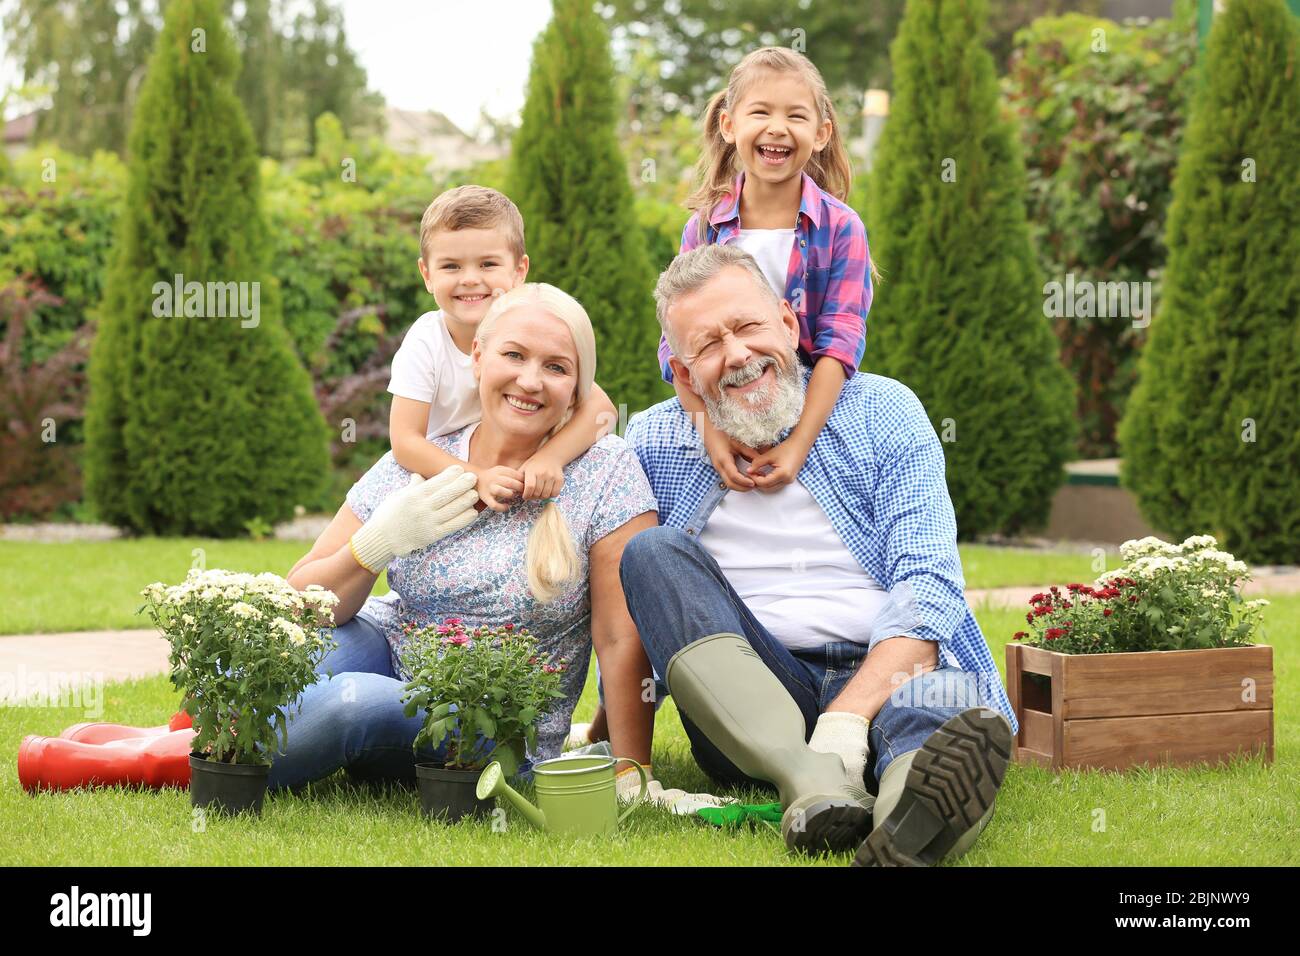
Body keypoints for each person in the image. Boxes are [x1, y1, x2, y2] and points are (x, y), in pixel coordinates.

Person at [621, 244, 1016, 865]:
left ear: (787, 321)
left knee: (932, 706)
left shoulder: (883, 410)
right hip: (751, 692)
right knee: (651, 553)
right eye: (708, 347)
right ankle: (807, 778)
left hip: (886, 672)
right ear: (681, 368)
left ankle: (903, 816)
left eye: (748, 326)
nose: (738, 355)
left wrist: (849, 716)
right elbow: (643, 605)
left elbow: (928, 585)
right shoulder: (656, 437)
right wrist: (610, 742)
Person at [271, 282, 658, 787]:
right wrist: (378, 543)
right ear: (478, 356)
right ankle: (223, 731)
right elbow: (296, 603)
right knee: (266, 655)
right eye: (514, 355)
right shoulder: (420, 458)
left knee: (352, 701)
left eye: (557, 367)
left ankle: (208, 755)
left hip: (489, 721)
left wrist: (632, 768)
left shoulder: (605, 469)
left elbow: (619, 635)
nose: (530, 380)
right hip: (388, 651)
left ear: (579, 385)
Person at [660, 46, 876, 494]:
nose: (777, 128)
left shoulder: (841, 228)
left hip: (811, 402)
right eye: (761, 112)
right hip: (726, 398)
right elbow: (676, 348)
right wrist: (713, 434)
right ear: (729, 125)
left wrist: (798, 445)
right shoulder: (704, 228)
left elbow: (840, 343)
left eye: (796, 117)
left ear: (821, 133)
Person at [388, 185, 618, 512]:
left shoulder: (530, 328)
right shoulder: (427, 340)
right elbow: (405, 442)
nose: (469, 279)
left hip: (514, 472)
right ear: (427, 274)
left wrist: (549, 458)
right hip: (441, 481)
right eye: (451, 266)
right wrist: (477, 478)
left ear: (519, 271)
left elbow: (603, 411)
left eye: (487, 264)